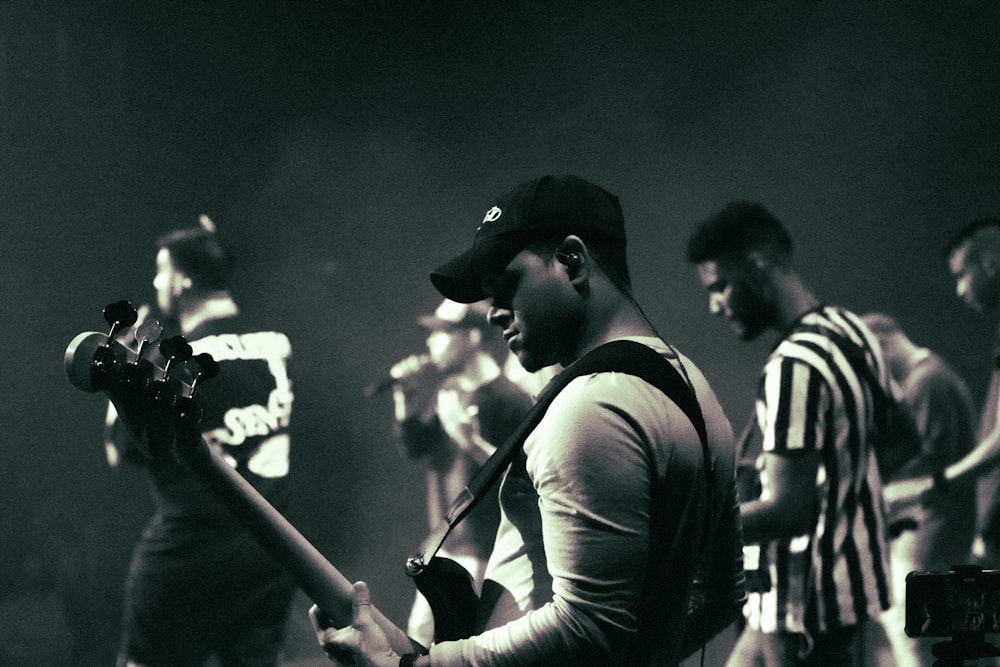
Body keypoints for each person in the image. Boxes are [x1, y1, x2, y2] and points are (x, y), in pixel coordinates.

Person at [312, 175, 745, 666]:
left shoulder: (590, 407)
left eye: (505, 284)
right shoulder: (694, 389)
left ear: (573, 261)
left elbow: (589, 626)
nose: (493, 312)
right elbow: (722, 596)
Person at [686, 202, 892, 666]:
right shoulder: (852, 330)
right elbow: (900, 442)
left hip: (801, 614)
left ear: (757, 266)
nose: (715, 306)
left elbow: (788, 513)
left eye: (720, 287)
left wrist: (692, 530)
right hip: (835, 602)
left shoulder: (793, 366)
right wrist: (842, 491)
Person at [105, 215, 298, 667]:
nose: (156, 281)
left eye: (161, 269)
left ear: (183, 279)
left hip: (189, 553)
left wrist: (121, 372)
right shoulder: (278, 343)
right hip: (269, 550)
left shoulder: (172, 360)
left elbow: (121, 450)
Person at [386, 298, 535, 647]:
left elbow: (528, 480)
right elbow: (417, 449)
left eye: (441, 334)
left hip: (488, 554)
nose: (430, 343)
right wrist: (404, 400)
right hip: (446, 547)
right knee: (421, 646)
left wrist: (471, 443)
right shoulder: (448, 392)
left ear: (470, 337)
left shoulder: (510, 400)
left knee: (472, 650)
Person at [861, 312, 977, 666]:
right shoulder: (933, 376)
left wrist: (883, 492)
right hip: (935, 531)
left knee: (916, 639)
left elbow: (933, 466)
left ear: (882, 344)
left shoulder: (926, 382)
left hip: (929, 533)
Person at [885, 217, 1000, 566]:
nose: (960, 290)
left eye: (962, 275)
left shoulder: (927, 380)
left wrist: (935, 483)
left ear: (991, 264)